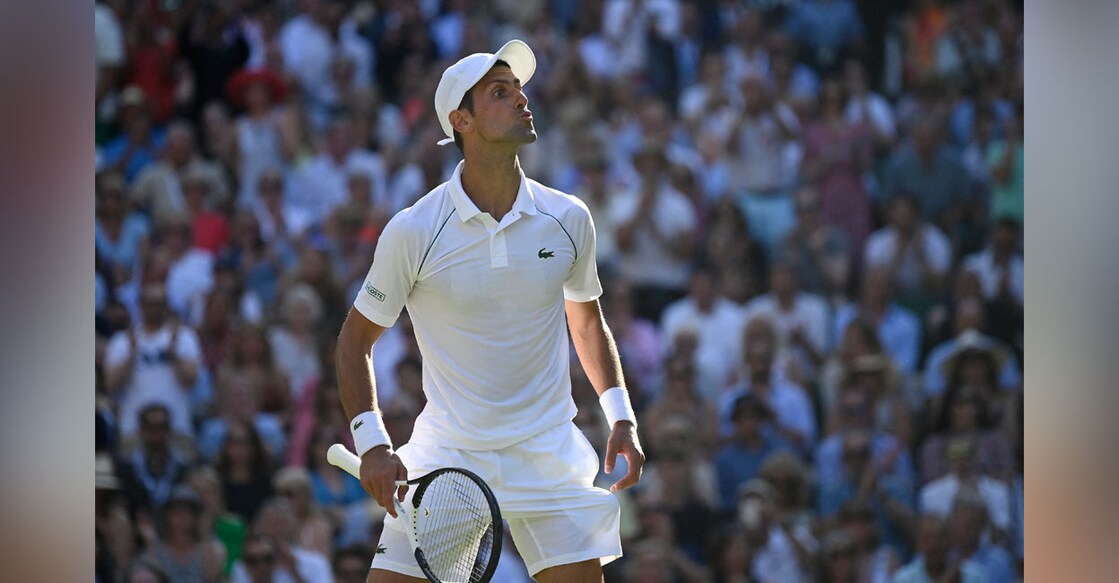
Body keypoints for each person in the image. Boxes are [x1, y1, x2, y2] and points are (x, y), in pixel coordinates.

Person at [335, 40, 644, 582]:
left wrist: (621, 415)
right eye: (500, 93)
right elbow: (353, 342)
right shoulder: (413, 230)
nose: (522, 99)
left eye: (519, 89)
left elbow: (587, 321)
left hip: (549, 453)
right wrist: (375, 445)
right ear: (463, 121)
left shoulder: (569, 218)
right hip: (447, 456)